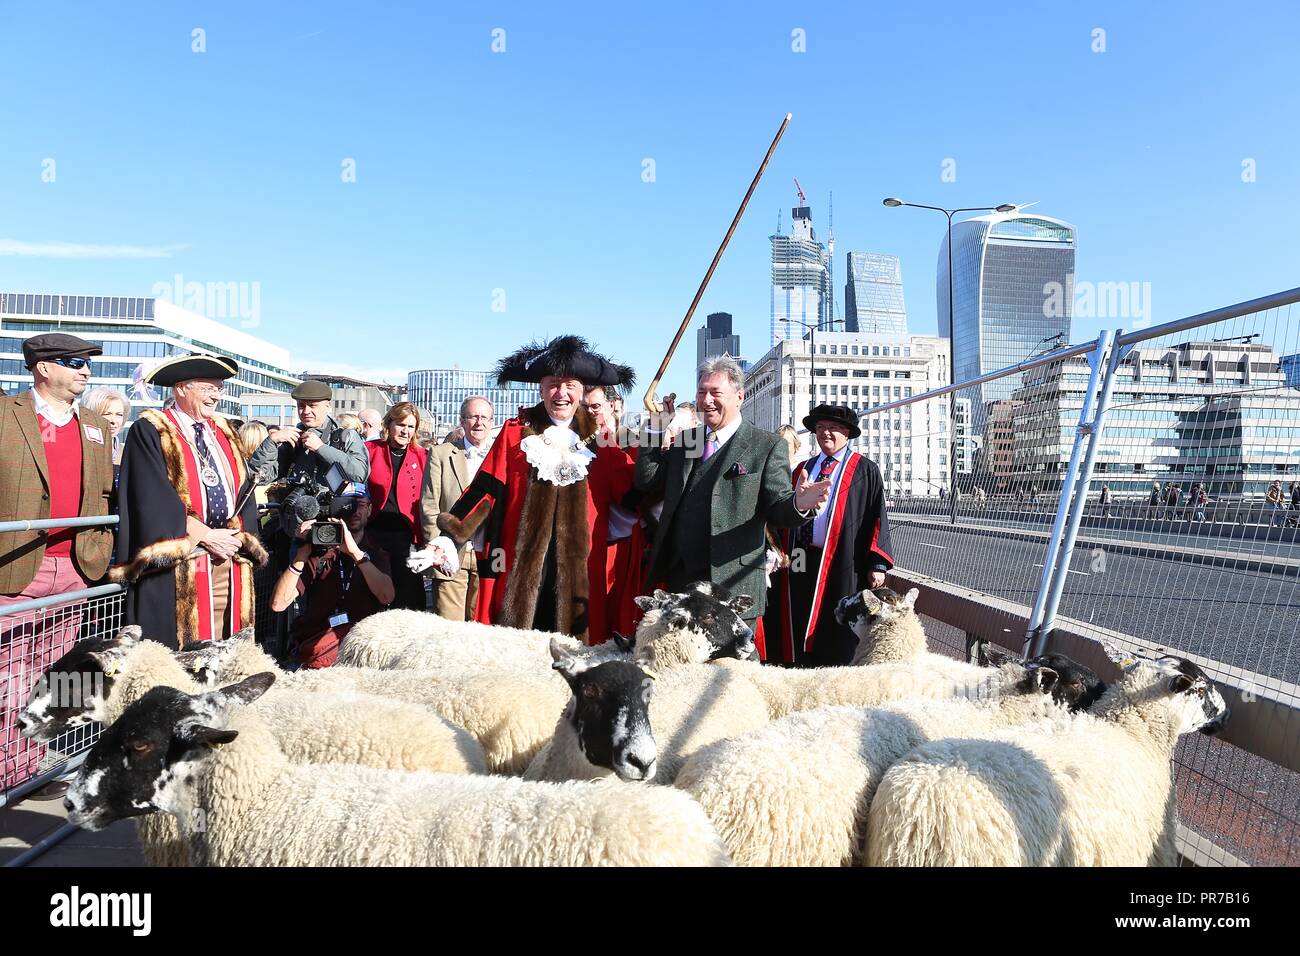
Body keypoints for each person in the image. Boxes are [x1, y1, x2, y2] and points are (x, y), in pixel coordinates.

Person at [428, 335, 636, 643]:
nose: (561, 393)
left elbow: (632, 493)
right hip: (522, 573)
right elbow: (486, 488)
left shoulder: (601, 441)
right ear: (540, 387)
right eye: (553, 383)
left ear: (581, 390)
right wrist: (450, 536)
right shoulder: (516, 434)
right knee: (518, 657)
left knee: (577, 662)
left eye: (570, 385)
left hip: (581, 576)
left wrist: (661, 463)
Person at [635, 356, 831, 646]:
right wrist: (655, 427)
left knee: (732, 670)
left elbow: (777, 506)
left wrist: (800, 504)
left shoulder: (766, 445)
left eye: (716, 393)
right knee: (681, 663)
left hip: (734, 582)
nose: (707, 400)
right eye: (702, 392)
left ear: (739, 396)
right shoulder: (687, 441)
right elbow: (648, 480)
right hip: (682, 579)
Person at [0, 333, 115, 795]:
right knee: (9, 673)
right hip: (15, 564)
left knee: (54, 675)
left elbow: (104, 491)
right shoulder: (7, 417)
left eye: (87, 363)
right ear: (43, 368)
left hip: (74, 568)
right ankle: (10, 771)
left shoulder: (95, 425)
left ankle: (29, 768)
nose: (86, 370)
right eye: (74, 362)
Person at [114, 354, 266, 649]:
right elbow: (151, 497)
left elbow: (242, 489)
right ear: (181, 388)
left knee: (228, 645)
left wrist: (239, 537)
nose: (216, 396)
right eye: (208, 388)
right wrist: (204, 535)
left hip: (227, 559)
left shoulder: (222, 432)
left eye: (219, 388)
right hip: (180, 563)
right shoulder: (151, 430)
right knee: (182, 654)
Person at [763, 404, 893, 667]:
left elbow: (876, 517)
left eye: (833, 428)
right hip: (800, 555)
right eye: (820, 428)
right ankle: (799, 665)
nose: (826, 434)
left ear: (847, 433)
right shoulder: (803, 469)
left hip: (842, 559)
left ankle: (836, 670)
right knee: (796, 611)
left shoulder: (864, 470)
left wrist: (876, 565)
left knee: (838, 619)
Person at [270, 485, 393, 668]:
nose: (353, 511)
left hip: (358, 646)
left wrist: (355, 554)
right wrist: (302, 552)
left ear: (369, 509)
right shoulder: (320, 550)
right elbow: (278, 604)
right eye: (347, 504)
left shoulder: (376, 552)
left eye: (359, 504)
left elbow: (386, 596)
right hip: (317, 645)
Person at [419, 397, 494, 620]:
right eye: (473, 417)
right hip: (449, 553)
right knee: (448, 632)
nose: (478, 423)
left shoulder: (504, 456)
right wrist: (437, 548)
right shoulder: (441, 453)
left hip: (489, 555)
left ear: (491, 422)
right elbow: (429, 505)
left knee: (483, 630)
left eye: (484, 417)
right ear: (462, 420)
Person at [363, 401, 428, 611]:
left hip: (408, 537)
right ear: (389, 424)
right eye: (401, 424)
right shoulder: (370, 451)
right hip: (373, 535)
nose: (405, 431)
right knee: (373, 598)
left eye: (411, 427)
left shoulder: (424, 456)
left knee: (408, 600)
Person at [81, 386, 131, 471]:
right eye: (107, 414)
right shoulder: (81, 450)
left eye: (119, 415)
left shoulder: (128, 454)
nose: (113, 420)